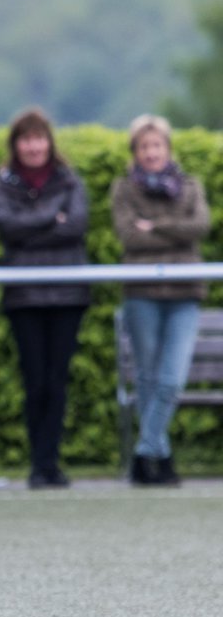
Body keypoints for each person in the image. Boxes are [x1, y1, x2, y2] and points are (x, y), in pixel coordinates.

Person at [0, 107, 90, 489]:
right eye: (26, 139)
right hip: (25, 297)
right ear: (16, 144)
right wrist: (53, 218)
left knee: (57, 381)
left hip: (67, 295)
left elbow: (77, 225)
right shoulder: (4, 183)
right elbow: (7, 227)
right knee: (35, 383)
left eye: (39, 138)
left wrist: (33, 222)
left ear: (49, 143)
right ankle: (37, 463)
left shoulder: (69, 180)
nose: (33, 146)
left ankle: (52, 463)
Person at [110, 114, 212, 487]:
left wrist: (155, 227)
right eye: (144, 146)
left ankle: (145, 451)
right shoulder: (124, 189)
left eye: (157, 145)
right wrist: (174, 233)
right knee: (149, 378)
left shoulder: (190, 185)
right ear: (135, 152)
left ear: (167, 149)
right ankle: (161, 459)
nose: (151, 152)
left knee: (171, 379)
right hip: (142, 293)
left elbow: (199, 227)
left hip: (185, 292)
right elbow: (129, 237)